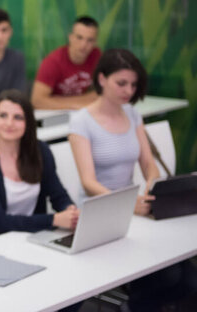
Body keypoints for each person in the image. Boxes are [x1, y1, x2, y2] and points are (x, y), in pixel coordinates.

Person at [68, 48, 195, 311]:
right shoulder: (81, 121)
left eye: (133, 84)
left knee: (188, 277)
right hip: (98, 213)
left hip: (135, 209)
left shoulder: (132, 114)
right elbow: (88, 182)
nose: (128, 90)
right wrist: (127, 204)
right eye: (121, 83)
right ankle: (136, 305)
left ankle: (137, 304)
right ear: (102, 79)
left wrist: (151, 185)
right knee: (170, 275)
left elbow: (149, 164)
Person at [0, 89, 78, 243]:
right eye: (3, 115)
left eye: (18, 117)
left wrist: (69, 210)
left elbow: (58, 195)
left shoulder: (40, 151)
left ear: (28, 122)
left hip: (29, 237)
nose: (9, 123)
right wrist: (53, 220)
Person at [31, 16, 102, 110]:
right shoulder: (53, 62)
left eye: (90, 40)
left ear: (95, 42)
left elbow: (105, 93)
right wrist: (78, 104)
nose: (83, 45)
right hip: (53, 114)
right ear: (70, 37)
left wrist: (59, 100)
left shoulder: (97, 56)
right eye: (79, 37)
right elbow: (37, 101)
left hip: (81, 111)